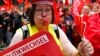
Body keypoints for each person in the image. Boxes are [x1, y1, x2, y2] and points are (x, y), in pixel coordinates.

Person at [9, 0, 94, 56]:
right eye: (39, 10)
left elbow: (73, 54)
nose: (44, 14)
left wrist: (81, 52)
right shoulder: (22, 33)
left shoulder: (57, 31)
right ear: (32, 13)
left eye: (48, 10)